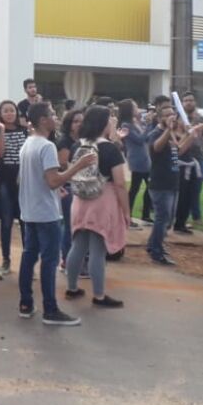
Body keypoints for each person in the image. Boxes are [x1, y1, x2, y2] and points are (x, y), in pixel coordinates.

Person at [17, 101, 94, 326]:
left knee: (29, 255)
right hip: (46, 213)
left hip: (29, 210)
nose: (56, 118)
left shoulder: (28, 143)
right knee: (49, 261)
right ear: (43, 120)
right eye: (52, 114)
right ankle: (50, 309)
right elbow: (53, 180)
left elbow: (34, 178)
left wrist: (54, 185)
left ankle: (25, 303)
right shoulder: (47, 146)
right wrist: (77, 166)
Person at [65, 105, 129, 308]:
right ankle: (99, 295)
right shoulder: (109, 148)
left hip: (80, 200)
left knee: (78, 245)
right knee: (97, 250)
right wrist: (126, 211)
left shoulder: (78, 145)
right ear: (104, 123)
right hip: (102, 200)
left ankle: (72, 287)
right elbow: (119, 183)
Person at [145, 105, 196, 266]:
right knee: (162, 218)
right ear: (160, 118)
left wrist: (192, 136)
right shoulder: (156, 133)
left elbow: (178, 151)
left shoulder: (171, 134)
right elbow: (157, 147)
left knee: (167, 220)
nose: (172, 117)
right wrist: (169, 129)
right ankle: (156, 251)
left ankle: (153, 244)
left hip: (173, 182)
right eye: (168, 115)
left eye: (173, 114)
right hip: (160, 183)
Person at [0, 100, 26, 275]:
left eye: (12, 110)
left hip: (24, 181)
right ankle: (6, 259)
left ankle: (27, 261)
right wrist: (2, 131)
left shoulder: (25, 131)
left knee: (25, 221)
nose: (9, 113)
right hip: (5, 180)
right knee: (6, 222)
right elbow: (0, 154)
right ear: (0, 113)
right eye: (5, 111)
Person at [173, 92, 203, 234]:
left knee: (195, 190)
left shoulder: (200, 118)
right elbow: (178, 148)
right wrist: (189, 134)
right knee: (182, 193)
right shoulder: (177, 122)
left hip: (197, 159)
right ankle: (179, 221)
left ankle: (191, 218)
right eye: (185, 100)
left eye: (191, 100)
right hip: (182, 163)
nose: (188, 103)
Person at [118, 99, 152, 225]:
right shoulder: (126, 125)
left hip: (144, 157)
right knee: (135, 189)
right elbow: (139, 139)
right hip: (137, 160)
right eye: (135, 107)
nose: (138, 109)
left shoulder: (136, 122)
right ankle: (129, 215)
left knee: (149, 187)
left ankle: (145, 214)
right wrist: (148, 125)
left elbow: (146, 137)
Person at [56, 109, 83, 270]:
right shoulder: (65, 141)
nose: (80, 124)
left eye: (82, 121)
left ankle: (75, 257)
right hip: (67, 185)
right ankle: (66, 258)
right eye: (76, 121)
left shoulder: (82, 140)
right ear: (69, 124)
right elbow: (64, 163)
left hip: (79, 184)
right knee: (68, 223)